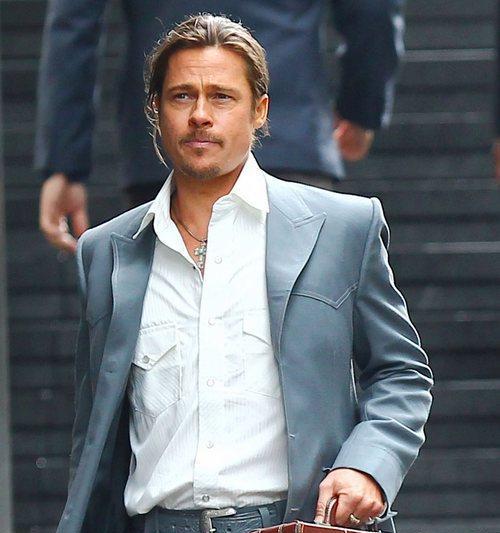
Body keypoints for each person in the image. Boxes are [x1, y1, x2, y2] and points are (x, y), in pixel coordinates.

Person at [57, 14, 432, 533]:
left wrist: (369, 465)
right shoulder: (105, 253)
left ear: (260, 110)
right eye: (182, 96)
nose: (200, 115)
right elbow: (94, 436)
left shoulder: (342, 228)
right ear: (155, 110)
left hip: (292, 523)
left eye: (222, 97)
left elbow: (399, 372)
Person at [36, 0, 405, 253]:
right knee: (300, 331)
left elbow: (74, 25)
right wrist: (361, 110)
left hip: (171, 147)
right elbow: (373, 10)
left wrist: (65, 162)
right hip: (291, 136)